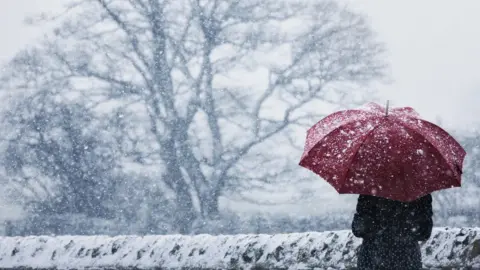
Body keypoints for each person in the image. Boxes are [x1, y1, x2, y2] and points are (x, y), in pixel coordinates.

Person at [351, 193, 433, 270]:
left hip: (372, 259)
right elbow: (424, 232)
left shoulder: (370, 190)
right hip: (407, 260)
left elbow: (358, 230)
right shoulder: (418, 191)